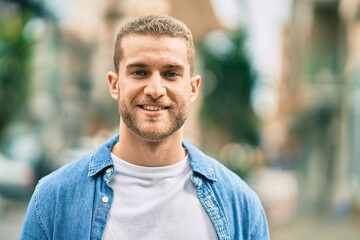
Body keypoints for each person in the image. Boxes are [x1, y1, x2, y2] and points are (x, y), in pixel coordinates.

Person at [20, 15, 269, 240]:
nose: (155, 90)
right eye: (139, 72)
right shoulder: (55, 199)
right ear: (114, 84)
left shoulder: (240, 204)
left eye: (171, 74)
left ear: (193, 88)